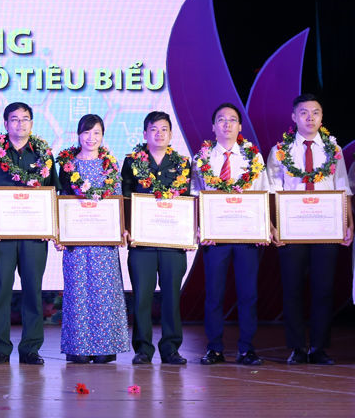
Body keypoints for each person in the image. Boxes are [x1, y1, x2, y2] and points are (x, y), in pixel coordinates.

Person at [266, 93, 352, 365]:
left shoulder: (333, 150)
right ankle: (297, 348)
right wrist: (273, 226)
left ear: (322, 117)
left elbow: (343, 188)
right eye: (303, 112)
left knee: (323, 289)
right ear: (294, 117)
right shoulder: (280, 150)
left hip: (326, 228)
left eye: (315, 112)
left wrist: (349, 222)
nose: (310, 117)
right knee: (292, 289)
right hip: (291, 229)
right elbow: (272, 191)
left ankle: (319, 348)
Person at [0, 102, 59, 365]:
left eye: (25, 119)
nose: (20, 124)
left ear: (32, 123)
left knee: (33, 290)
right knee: (1, 290)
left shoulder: (44, 155)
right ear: (5, 123)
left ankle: (31, 348)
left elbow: (52, 193)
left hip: (34, 236)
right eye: (14, 119)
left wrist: (51, 225)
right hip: (2, 237)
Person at [191, 103, 270, 366]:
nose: (227, 124)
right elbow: (195, 196)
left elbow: (263, 194)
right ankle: (214, 348)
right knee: (214, 294)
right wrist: (199, 227)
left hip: (247, 236)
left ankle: (247, 349)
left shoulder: (253, 158)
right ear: (213, 127)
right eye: (221, 120)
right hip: (215, 237)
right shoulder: (201, 159)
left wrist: (264, 227)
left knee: (248, 294)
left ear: (240, 126)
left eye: (232, 120)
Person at [55, 114, 130, 364]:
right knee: (78, 291)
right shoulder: (68, 165)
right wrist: (59, 232)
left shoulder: (109, 164)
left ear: (103, 135)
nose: (91, 138)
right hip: (75, 241)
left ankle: (105, 347)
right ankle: (78, 347)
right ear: (78, 135)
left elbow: (117, 197)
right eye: (86, 132)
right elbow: (61, 199)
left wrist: (121, 228)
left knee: (105, 292)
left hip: (104, 241)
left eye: (96, 133)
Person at [121, 111, 192, 365]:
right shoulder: (132, 162)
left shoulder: (182, 163)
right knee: (142, 296)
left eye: (164, 129)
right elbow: (125, 198)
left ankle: (171, 348)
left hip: (173, 242)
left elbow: (188, 201)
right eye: (153, 129)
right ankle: (143, 349)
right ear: (144, 134)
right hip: (142, 243)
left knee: (171, 296)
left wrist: (190, 230)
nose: (159, 134)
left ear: (171, 134)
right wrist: (125, 227)